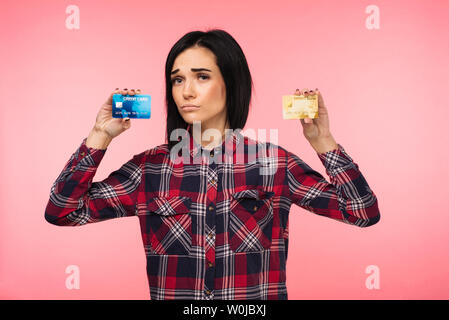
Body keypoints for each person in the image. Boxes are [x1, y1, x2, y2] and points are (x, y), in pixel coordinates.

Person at [45, 29, 380, 300]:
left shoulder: (274, 164)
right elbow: (63, 211)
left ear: (230, 83)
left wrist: (323, 142)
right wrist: (100, 136)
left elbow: (362, 212)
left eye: (201, 77)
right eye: (177, 80)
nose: (187, 91)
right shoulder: (148, 170)